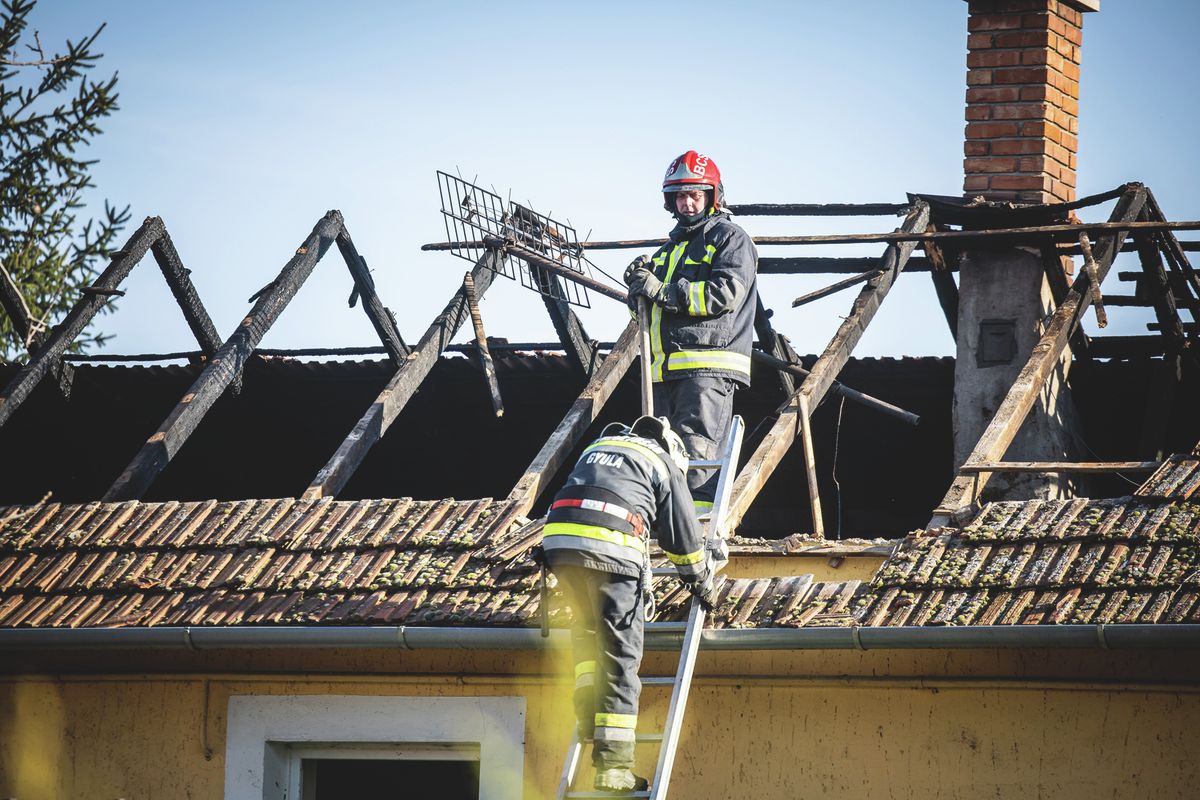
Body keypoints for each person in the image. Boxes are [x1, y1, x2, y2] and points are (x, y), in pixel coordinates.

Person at [541, 415, 717, 792]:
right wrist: (701, 581)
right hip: (611, 551)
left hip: (560, 545)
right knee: (621, 655)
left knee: (588, 630)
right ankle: (615, 769)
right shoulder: (662, 462)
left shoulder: (599, 448)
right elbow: (682, 536)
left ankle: (588, 711)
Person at [624, 150, 758, 517]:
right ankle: (669, 526)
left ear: (711, 196)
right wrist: (638, 290)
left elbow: (724, 294)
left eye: (694, 195)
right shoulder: (669, 251)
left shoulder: (731, 239)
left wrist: (663, 291)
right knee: (663, 455)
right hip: (664, 370)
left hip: (707, 367)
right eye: (680, 196)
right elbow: (650, 311)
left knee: (697, 454)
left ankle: (696, 533)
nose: (686, 203)